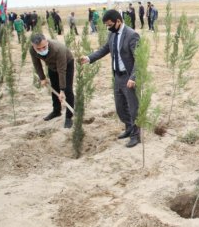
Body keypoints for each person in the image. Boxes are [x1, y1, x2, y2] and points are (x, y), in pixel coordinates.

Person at [80, 9, 141, 148]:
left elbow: (139, 59)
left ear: (118, 21)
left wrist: (133, 77)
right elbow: (104, 50)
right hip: (118, 77)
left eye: (109, 24)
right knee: (120, 108)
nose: (108, 27)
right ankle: (128, 128)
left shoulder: (132, 35)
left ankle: (135, 136)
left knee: (133, 108)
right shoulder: (112, 35)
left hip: (129, 77)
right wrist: (89, 58)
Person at [29, 34, 75, 129]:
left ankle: (69, 117)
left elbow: (62, 70)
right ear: (33, 46)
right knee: (54, 87)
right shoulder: (32, 50)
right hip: (51, 65)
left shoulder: (58, 49)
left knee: (67, 90)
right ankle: (56, 111)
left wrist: (62, 90)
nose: (42, 50)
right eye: (39, 48)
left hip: (67, 63)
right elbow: (37, 64)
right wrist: (42, 78)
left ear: (47, 41)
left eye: (44, 47)